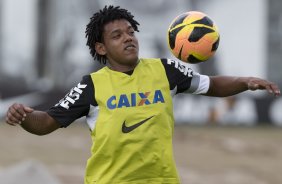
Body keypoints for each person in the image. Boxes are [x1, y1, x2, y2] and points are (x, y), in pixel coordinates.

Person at [5, 5, 280, 184]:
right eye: (117, 35)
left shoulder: (164, 70)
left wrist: (245, 81)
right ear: (101, 48)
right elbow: (45, 123)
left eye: (130, 32)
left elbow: (210, 84)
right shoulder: (91, 86)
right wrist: (24, 116)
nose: (128, 38)